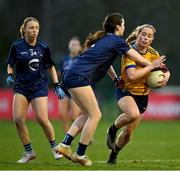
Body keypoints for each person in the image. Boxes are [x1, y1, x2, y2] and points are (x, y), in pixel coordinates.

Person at [56, 13, 165, 166]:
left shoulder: (104, 40)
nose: (125, 27)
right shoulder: (117, 41)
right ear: (118, 27)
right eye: (124, 24)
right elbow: (138, 58)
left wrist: (115, 79)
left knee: (87, 114)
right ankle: (80, 154)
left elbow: (106, 64)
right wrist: (152, 66)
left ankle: (64, 145)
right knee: (95, 115)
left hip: (70, 75)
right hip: (78, 76)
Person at [106, 24, 170, 164]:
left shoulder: (153, 54)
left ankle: (114, 153)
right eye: (144, 34)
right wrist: (151, 66)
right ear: (138, 34)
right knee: (132, 114)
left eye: (149, 36)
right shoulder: (129, 50)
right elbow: (132, 76)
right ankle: (112, 130)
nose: (146, 38)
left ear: (152, 39)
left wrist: (166, 77)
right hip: (125, 90)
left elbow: (164, 70)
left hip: (142, 95)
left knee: (128, 134)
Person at [6, 17, 65, 163]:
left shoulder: (43, 46)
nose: (34, 30)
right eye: (31, 27)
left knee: (42, 119)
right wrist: (9, 74)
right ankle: (29, 152)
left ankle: (54, 149)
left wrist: (57, 85)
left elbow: (50, 66)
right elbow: (10, 63)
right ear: (25, 29)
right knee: (18, 119)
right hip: (21, 86)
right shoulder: (17, 46)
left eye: (37, 28)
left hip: (39, 86)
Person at [58, 37, 82, 133]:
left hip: (75, 90)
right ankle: (66, 137)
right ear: (69, 46)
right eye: (72, 44)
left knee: (74, 116)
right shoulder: (64, 59)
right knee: (63, 115)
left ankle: (85, 133)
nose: (74, 46)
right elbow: (59, 73)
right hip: (64, 89)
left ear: (80, 47)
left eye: (76, 44)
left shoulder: (81, 59)